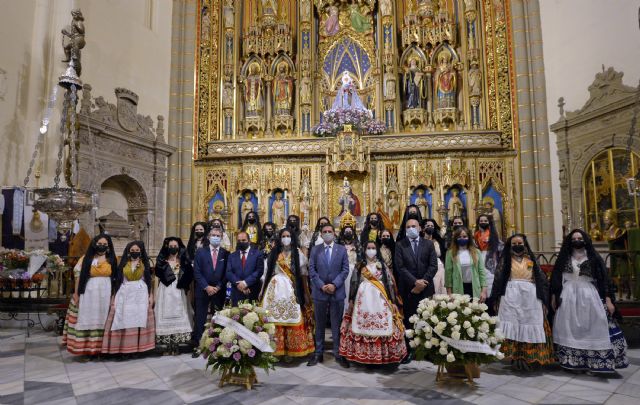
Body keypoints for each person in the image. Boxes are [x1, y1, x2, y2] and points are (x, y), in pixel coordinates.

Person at [551, 229, 629, 376]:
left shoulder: (593, 257)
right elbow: (556, 278)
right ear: (569, 241)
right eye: (574, 238)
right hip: (568, 297)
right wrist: (554, 297)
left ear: (585, 239)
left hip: (590, 297)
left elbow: (604, 279)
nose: (577, 241)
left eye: (580, 238)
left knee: (592, 327)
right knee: (571, 329)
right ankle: (574, 362)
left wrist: (608, 299)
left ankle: (594, 362)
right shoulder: (564, 257)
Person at [490, 234, 554, 371]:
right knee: (513, 326)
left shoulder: (530, 260)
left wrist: (544, 299)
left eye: (520, 243)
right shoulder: (505, 260)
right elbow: (498, 279)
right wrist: (496, 299)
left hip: (530, 297)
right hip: (510, 296)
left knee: (528, 324)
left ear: (525, 244)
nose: (517, 245)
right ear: (509, 245)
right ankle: (515, 358)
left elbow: (540, 278)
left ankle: (528, 357)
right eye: (514, 243)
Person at [339, 241, 407, 365]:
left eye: (373, 248)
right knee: (362, 325)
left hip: (381, 299)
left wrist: (392, 301)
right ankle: (365, 357)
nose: (371, 250)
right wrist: (351, 300)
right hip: (362, 298)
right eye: (368, 248)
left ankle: (383, 356)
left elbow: (389, 284)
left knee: (383, 324)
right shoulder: (360, 265)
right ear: (364, 250)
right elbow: (354, 283)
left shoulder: (382, 265)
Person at [260, 229, 315, 360]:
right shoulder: (274, 253)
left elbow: (303, 275)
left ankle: (290, 350)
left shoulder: (298, 254)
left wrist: (306, 293)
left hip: (292, 288)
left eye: (288, 236)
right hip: (275, 288)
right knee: (274, 317)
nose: (286, 238)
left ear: (292, 238)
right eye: (283, 236)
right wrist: (262, 290)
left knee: (292, 317)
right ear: (279, 238)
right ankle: (275, 349)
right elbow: (267, 273)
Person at [63, 234, 118, 356]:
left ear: (108, 246)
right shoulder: (86, 258)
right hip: (88, 292)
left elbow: (115, 279)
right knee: (88, 317)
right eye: (99, 244)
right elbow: (78, 276)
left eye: (104, 244)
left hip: (105, 292)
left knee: (102, 318)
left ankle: (101, 350)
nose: (102, 246)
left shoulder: (112, 259)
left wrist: (113, 295)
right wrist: (77, 293)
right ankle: (86, 350)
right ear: (94, 244)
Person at [394, 218, 438, 363]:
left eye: (414, 226)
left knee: (428, 319)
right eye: (408, 227)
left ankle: (428, 350)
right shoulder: (400, 245)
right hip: (408, 289)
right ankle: (411, 350)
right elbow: (400, 267)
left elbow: (433, 266)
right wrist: (415, 282)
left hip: (426, 288)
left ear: (420, 228)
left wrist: (423, 282)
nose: (411, 228)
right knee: (409, 320)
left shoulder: (428, 244)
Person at [307, 224, 350, 368]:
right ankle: (318, 353)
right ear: (321, 234)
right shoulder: (315, 249)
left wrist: (334, 285)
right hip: (320, 292)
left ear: (334, 233)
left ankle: (338, 353)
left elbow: (345, 270)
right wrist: (321, 285)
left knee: (336, 324)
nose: (327, 234)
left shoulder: (342, 249)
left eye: (329, 231)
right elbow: (312, 270)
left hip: (336, 292)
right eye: (324, 232)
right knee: (319, 324)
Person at [102, 241, 155, 355]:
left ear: (141, 252)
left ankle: (138, 349)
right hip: (125, 294)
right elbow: (118, 281)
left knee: (138, 320)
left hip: (140, 295)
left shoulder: (144, 264)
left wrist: (151, 295)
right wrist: (114, 296)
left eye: (137, 251)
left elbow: (149, 281)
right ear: (128, 252)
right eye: (132, 251)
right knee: (123, 319)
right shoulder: (124, 264)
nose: (134, 252)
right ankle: (124, 349)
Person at [193, 227, 229, 355]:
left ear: (221, 237)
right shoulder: (200, 252)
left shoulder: (226, 253)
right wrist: (206, 286)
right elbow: (196, 272)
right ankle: (199, 345)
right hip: (203, 290)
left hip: (219, 290)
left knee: (219, 318)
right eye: (213, 235)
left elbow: (227, 273)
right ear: (209, 237)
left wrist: (218, 286)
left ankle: (218, 345)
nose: (215, 237)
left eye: (218, 235)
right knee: (200, 318)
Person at [155, 237, 194, 355]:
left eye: (175, 246)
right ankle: (167, 345)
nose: (173, 248)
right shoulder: (163, 260)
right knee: (165, 314)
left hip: (178, 290)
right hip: (165, 290)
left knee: (179, 313)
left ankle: (176, 345)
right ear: (167, 247)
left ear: (179, 247)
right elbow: (158, 272)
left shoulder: (183, 260)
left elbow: (189, 273)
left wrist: (183, 283)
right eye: (170, 246)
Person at [445, 227, 487, 301]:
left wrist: (484, 291)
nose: (462, 238)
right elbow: (448, 274)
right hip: (458, 287)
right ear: (455, 238)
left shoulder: (476, 252)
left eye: (464, 237)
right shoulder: (450, 253)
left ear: (469, 238)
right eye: (459, 237)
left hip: (474, 286)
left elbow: (482, 272)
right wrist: (449, 293)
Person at [226, 231, 264, 305]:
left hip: (252, 291)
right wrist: (239, 284)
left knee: (252, 315)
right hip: (237, 292)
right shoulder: (232, 256)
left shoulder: (258, 254)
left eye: (243, 240)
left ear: (249, 241)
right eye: (239, 241)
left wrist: (245, 283)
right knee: (235, 315)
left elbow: (259, 271)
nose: (241, 242)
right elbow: (228, 272)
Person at [474, 214, 504, 297]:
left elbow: (500, 246)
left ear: (489, 222)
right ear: (478, 222)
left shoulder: (493, 233)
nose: (483, 222)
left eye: (485, 221)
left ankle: (491, 297)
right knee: (481, 276)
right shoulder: (476, 234)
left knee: (491, 276)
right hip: (479, 256)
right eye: (481, 221)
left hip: (491, 257)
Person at [338, 224, 361, 313]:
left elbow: (360, 258)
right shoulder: (339, 245)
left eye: (350, 232)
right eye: (346, 232)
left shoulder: (357, 245)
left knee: (353, 290)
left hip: (354, 270)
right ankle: (343, 313)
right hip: (342, 271)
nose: (348, 233)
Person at [423, 219, 447, 295]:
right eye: (428, 226)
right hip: (425, 265)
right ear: (423, 228)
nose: (430, 227)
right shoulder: (420, 241)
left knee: (439, 287)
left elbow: (442, 254)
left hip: (438, 266)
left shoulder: (438, 241)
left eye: (432, 226)